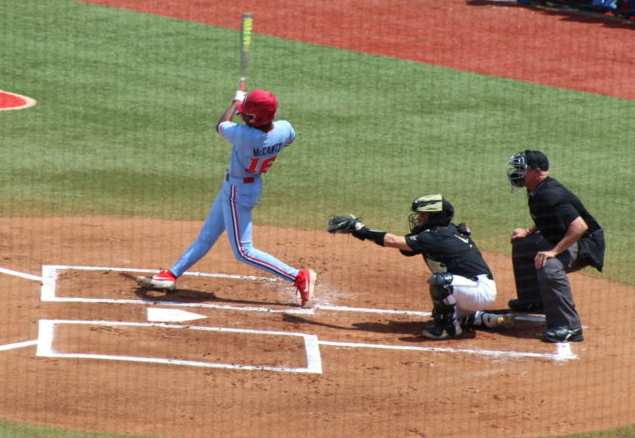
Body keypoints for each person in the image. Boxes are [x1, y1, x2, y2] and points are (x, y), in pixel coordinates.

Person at [136, 89, 316, 307]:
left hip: (238, 192)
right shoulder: (285, 128)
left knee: (243, 251)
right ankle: (172, 274)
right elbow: (286, 140)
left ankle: (298, 277)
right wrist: (249, 110)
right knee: (208, 235)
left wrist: (236, 101)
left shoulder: (246, 136)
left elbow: (220, 124)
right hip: (248, 185)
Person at [327, 195, 512, 340]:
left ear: (435, 217)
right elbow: (406, 249)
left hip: (479, 289)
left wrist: (361, 229)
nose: (419, 219)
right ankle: (479, 318)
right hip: (471, 289)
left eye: (424, 215)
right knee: (440, 311)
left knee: (441, 284)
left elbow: (391, 241)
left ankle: (448, 330)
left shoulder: (437, 236)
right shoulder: (438, 233)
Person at [506, 150, 605, 343]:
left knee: (549, 265)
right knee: (523, 245)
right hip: (567, 237)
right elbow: (545, 217)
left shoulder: (550, 193)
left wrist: (553, 252)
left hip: (586, 243)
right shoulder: (535, 188)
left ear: (536, 171)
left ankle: (569, 328)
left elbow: (579, 227)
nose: (516, 173)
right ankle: (533, 301)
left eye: (521, 169)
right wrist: (528, 231)